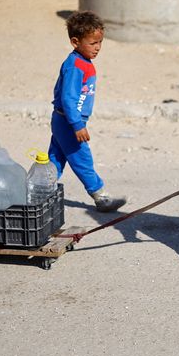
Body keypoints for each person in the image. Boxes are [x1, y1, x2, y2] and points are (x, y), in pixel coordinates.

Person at [48, 11, 126, 213]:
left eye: (100, 42)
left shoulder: (82, 62)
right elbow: (68, 98)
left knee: (55, 158)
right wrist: (77, 125)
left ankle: (38, 191)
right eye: (93, 43)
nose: (98, 48)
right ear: (75, 42)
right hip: (68, 121)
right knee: (82, 159)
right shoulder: (74, 66)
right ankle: (100, 196)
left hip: (64, 120)